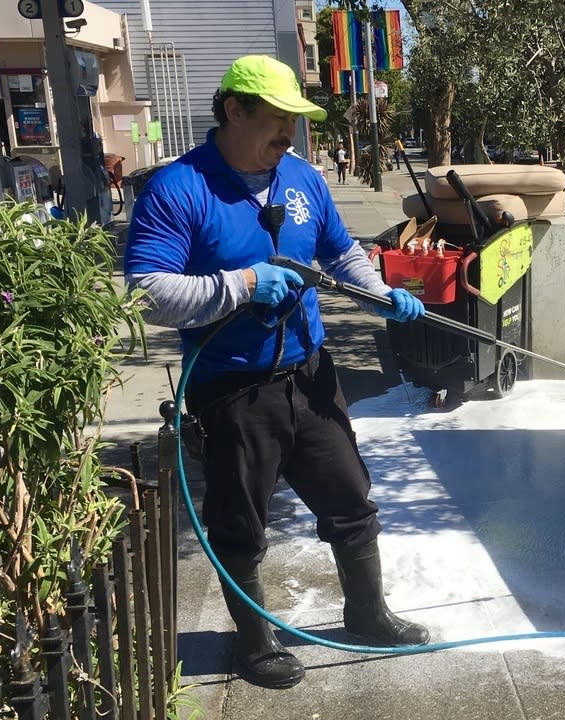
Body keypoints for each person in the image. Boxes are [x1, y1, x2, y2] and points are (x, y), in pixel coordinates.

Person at [124, 54, 429, 690]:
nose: (289, 135)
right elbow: (148, 289)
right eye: (278, 120)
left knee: (351, 497)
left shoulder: (301, 178)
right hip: (233, 388)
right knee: (239, 522)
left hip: (310, 375)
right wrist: (239, 284)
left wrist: (379, 293)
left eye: (295, 121)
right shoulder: (178, 189)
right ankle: (255, 644)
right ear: (234, 111)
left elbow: (340, 253)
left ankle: (368, 614)